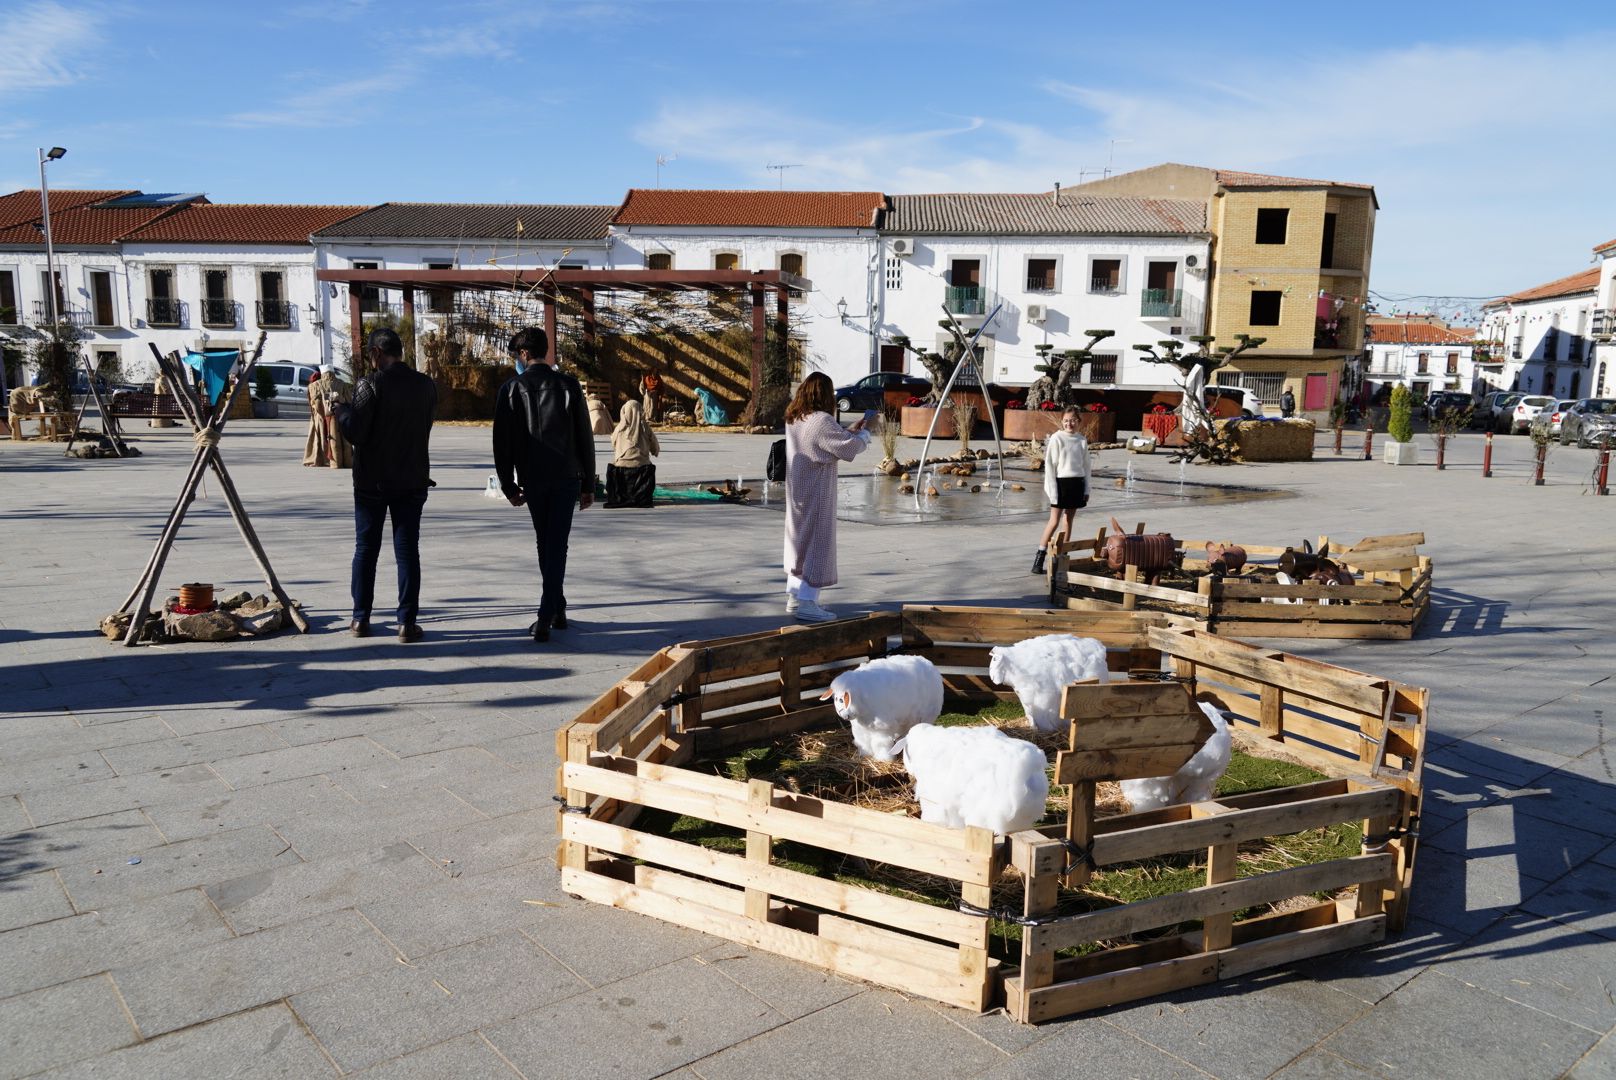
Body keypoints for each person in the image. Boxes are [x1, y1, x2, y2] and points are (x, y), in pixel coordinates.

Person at [493, 326, 595, 643]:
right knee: (555, 544)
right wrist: (588, 482)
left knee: (546, 542)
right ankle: (554, 608)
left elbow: (502, 443)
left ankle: (546, 613)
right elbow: (584, 438)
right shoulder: (568, 386)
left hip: (533, 477)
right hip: (565, 475)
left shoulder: (511, 389)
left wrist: (508, 484)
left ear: (524, 354)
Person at [334, 329, 437, 642]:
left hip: (372, 482)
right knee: (407, 552)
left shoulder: (370, 383)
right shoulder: (425, 385)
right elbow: (425, 425)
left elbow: (356, 431)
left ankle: (360, 619)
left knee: (366, 549)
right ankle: (407, 622)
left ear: (376, 353)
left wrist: (340, 410)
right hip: (411, 478)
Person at [782, 371, 870, 623]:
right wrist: (865, 433)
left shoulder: (795, 417)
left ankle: (795, 597)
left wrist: (848, 431)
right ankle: (809, 602)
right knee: (817, 543)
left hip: (798, 488)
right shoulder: (821, 420)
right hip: (817, 490)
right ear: (825, 394)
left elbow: (828, 442)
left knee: (799, 540)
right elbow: (848, 448)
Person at [1031, 406, 1090, 575]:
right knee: (1054, 521)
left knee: (1068, 521)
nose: (1069, 424)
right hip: (1061, 484)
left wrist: (1087, 489)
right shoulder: (1057, 438)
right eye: (1066, 420)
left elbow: (1087, 467)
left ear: (1078, 421)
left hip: (1077, 484)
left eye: (1072, 420)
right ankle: (1039, 558)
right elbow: (1050, 466)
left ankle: (1062, 556)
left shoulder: (1081, 440)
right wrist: (1052, 492)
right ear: (1062, 421)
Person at [605, 399, 659, 508]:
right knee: (647, 462)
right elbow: (655, 448)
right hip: (642, 468)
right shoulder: (645, 427)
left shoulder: (619, 428)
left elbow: (614, 445)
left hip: (620, 469)